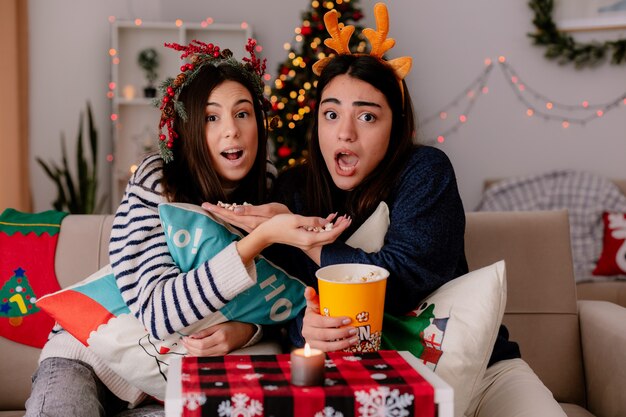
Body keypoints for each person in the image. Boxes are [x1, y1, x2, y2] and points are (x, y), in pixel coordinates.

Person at [208, 4, 567, 417]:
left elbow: (401, 279)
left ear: (395, 125)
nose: (345, 131)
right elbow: (288, 303)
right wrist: (302, 327)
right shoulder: (293, 192)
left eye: (366, 116)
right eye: (331, 114)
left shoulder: (426, 172)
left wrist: (308, 241)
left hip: (481, 371)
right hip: (374, 384)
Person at [25, 39, 349, 417]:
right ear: (191, 127)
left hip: (172, 379)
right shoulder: (156, 181)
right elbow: (159, 314)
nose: (232, 130)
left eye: (242, 114)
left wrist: (247, 331)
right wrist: (260, 239)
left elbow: (287, 304)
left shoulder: (274, 191)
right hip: (90, 356)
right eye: (212, 117)